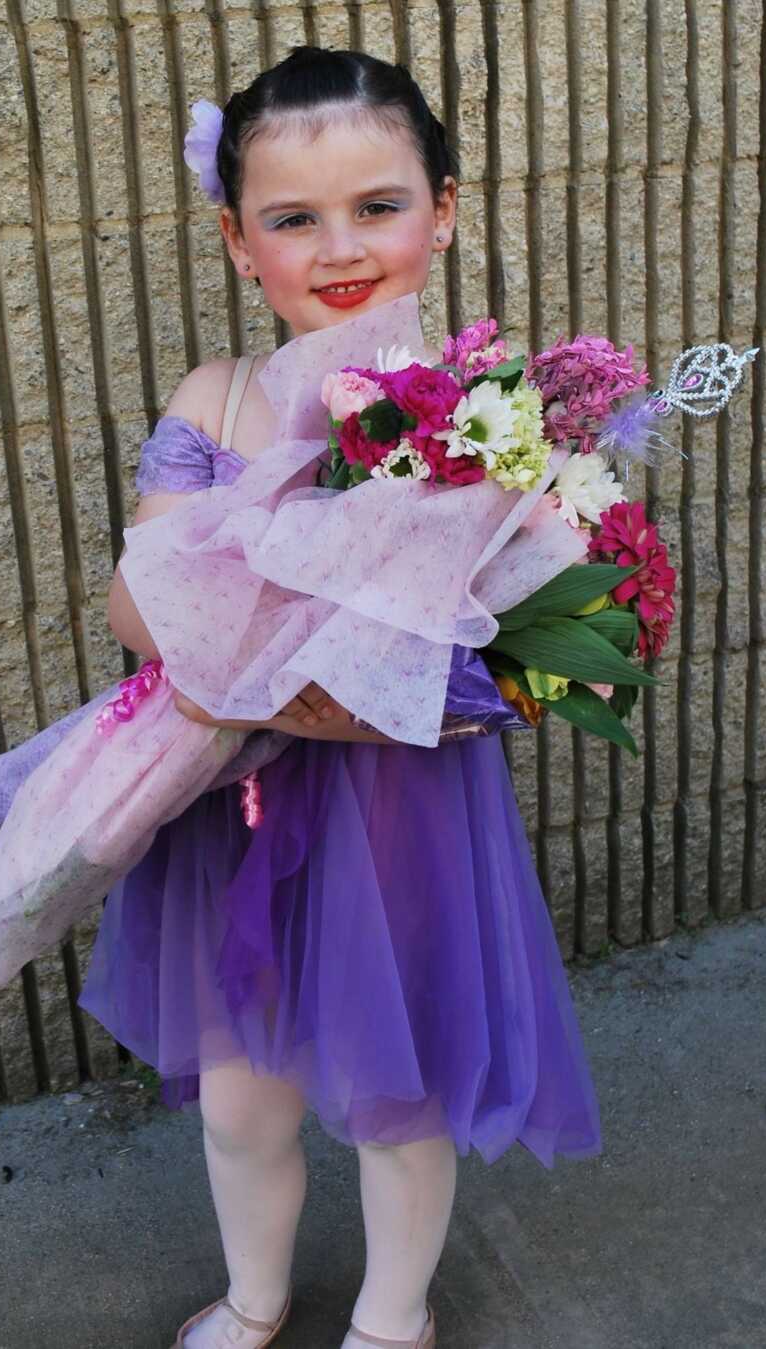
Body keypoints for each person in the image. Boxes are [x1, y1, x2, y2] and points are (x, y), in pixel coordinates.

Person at [81, 45, 602, 1349]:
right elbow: (138, 605)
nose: (341, 246)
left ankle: (391, 1313)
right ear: (237, 238)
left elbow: (545, 627)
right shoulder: (221, 396)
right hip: (231, 803)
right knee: (240, 1101)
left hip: (402, 806)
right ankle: (256, 1295)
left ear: (445, 205)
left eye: (378, 204)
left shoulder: (487, 413)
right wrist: (271, 645)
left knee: (399, 1091)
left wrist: (468, 649)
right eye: (292, 218)